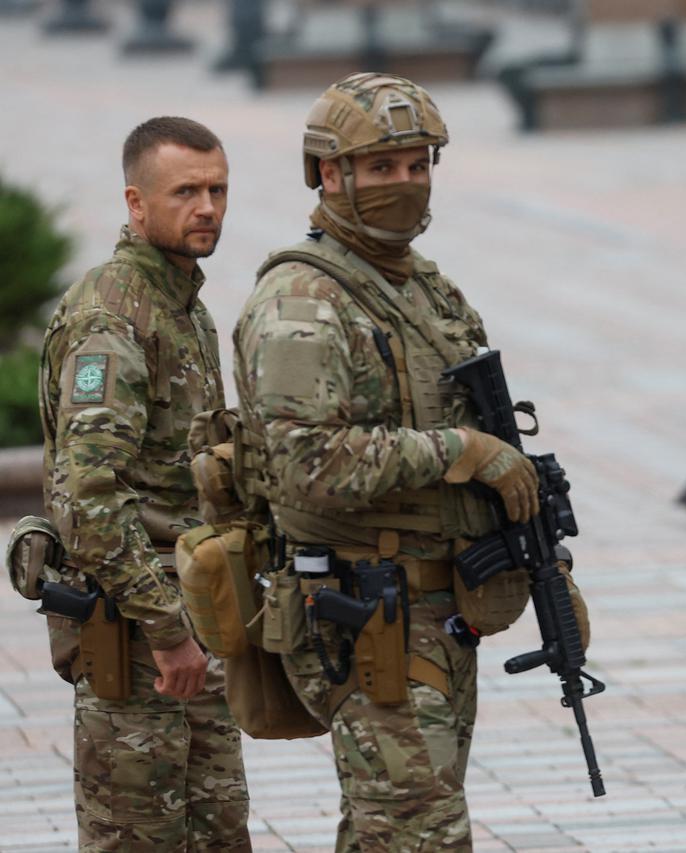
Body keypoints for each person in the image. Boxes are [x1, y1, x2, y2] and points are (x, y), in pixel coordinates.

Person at [233, 72, 538, 849]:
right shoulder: (302, 299)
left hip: (439, 608)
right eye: (381, 168)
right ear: (329, 174)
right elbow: (307, 463)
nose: (405, 184)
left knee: (391, 827)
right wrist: (461, 452)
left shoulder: (423, 285)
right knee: (420, 833)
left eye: (417, 165)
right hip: (366, 614)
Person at [38, 117, 250, 849]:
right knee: (139, 835)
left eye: (217, 189)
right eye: (186, 191)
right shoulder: (112, 318)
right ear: (136, 202)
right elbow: (88, 495)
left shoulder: (186, 307)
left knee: (218, 831)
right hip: (136, 639)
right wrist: (165, 633)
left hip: (193, 619)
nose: (208, 208)